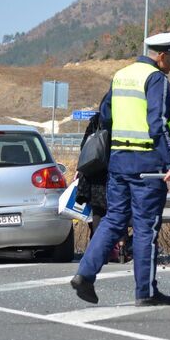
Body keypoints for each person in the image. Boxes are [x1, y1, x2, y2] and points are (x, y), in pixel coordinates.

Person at [70, 32, 170, 306]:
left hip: (119, 162)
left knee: (114, 219)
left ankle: (85, 273)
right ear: (160, 55)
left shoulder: (121, 75)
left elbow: (105, 114)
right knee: (145, 228)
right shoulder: (157, 79)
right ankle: (145, 292)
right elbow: (157, 123)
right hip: (147, 165)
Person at [75, 110, 128, 263]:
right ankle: (121, 248)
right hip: (116, 173)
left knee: (98, 213)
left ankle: (100, 253)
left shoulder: (96, 121)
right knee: (119, 211)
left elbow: (84, 146)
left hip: (95, 173)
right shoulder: (124, 119)